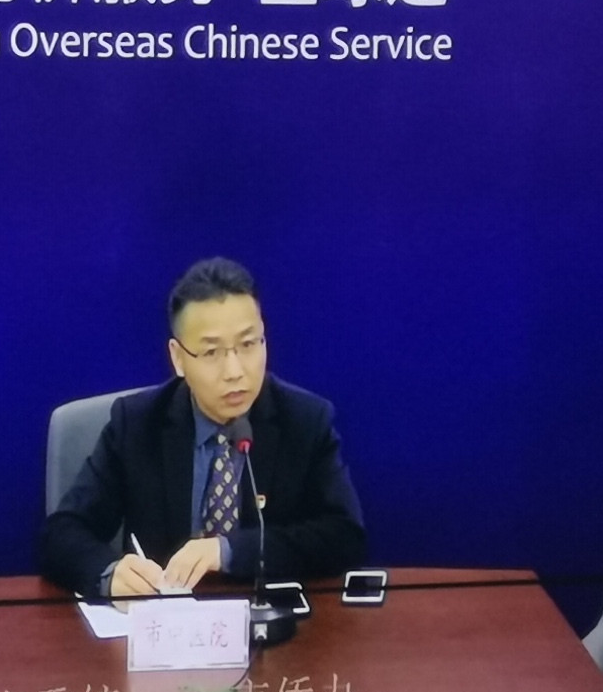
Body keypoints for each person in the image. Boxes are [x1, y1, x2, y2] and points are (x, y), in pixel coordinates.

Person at [38, 257, 367, 601]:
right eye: (211, 352)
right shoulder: (137, 424)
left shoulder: (305, 421)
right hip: (165, 621)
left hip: (269, 619)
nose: (235, 371)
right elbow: (61, 533)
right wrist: (109, 574)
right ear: (178, 358)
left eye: (248, 344)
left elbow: (345, 537)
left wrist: (227, 551)